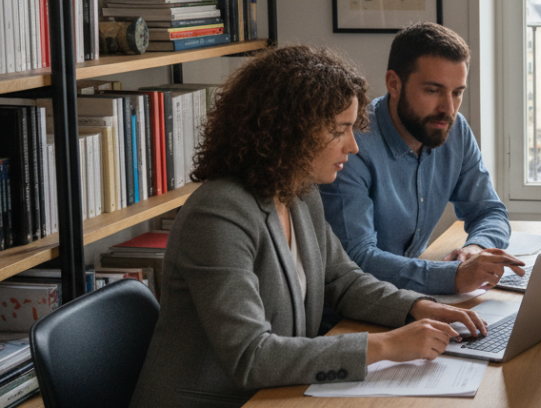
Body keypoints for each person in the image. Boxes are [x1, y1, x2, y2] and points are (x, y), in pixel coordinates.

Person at [130, 45, 488, 408]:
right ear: (289, 132)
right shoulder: (219, 214)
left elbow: (343, 281)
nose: (353, 146)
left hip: (277, 396)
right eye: (339, 130)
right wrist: (385, 346)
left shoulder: (299, 193)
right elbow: (250, 356)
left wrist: (417, 307)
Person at [320, 23, 524, 296]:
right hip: (354, 310)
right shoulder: (352, 147)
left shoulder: (454, 130)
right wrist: (452, 276)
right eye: (433, 91)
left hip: (412, 296)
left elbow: (489, 211)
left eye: (457, 92)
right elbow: (358, 259)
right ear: (394, 83)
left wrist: (475, 249)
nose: (448, 109)